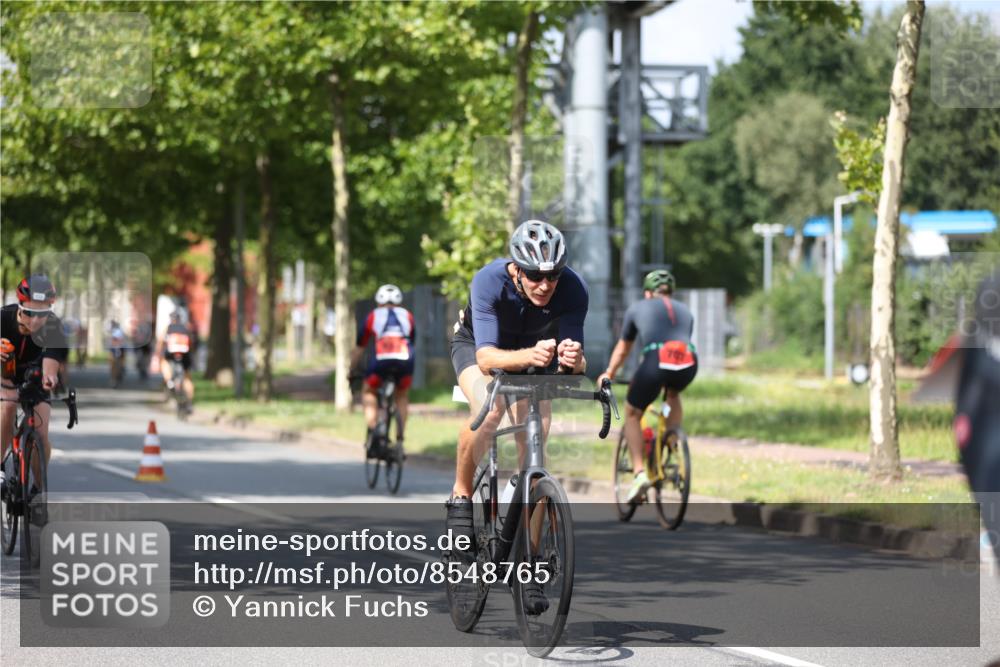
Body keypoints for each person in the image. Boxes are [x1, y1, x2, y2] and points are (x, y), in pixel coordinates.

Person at [446, 220, 588, 612]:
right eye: (535, 276)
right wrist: (531, 356)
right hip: (479, 347)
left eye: (553, 276)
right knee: (489, 411)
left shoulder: (573, 289)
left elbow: (574, 359)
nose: (545, 284)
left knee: (535, 455)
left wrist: (575, 361)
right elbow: (486, 358)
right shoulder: (489, 281)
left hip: (534, 352)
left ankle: (528, 564)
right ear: (516, 270)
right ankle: (460, 495)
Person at [598, 269, 697, 504]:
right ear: (670, 292)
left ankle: (640, 474)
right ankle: (673, 443)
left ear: (647, 292)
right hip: (689, 361)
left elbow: (624, 349)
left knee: (632, 413)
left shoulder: (637, 308)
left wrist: (609, 373)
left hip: (655, 359)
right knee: (672, 393)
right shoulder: (686, 311)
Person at [0, 274, 68, 493]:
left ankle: (38, 489)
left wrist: (50, 377)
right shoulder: (3, 319)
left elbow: (51, 359)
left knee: (41, 430)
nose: (36, 321)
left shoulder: (53, 326)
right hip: (5, 374)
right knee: (8, 405)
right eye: (29, 313)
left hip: (35, 377)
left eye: (43, 314)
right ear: (20, 306)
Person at [351, 284, 415, 453]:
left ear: (378, 301)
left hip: (381, 361)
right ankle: (400, 438)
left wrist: (352, 370)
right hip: (405, 360)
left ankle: (375, 428)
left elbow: (359, 348)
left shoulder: (373, 316)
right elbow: (412, 340)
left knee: (369, 391)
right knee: (401, 395)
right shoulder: (407, 315)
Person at [159, 310, 195, 411]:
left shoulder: (168, 328)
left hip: (170, 353)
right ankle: (190, 402)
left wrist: (159, 354)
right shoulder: (186, 327)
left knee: (164, 363)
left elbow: (161, 341)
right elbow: (191, 342)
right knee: (187, 378)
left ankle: (170, 382)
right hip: (185, 354)